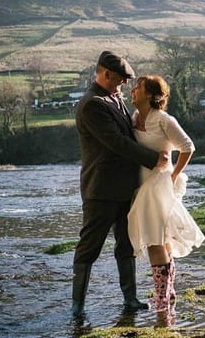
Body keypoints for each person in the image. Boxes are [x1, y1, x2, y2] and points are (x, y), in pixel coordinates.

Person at [72, 51, 168, 317]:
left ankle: (131, 300)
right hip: (100, 190)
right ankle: (77, 307)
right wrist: (154, 159)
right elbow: (117, 142)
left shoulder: (114, 99)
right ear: (105, 74)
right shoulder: (92, 104)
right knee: (88, 248)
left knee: (126, 246)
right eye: (121, 79)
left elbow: (130, 136)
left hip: (125, 189)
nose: (125, 85)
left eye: (127, 80)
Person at [127, 75, 205, 318]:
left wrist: (173, 176)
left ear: (150, 94)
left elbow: (188, 146)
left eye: (137, 87)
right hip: (142, 184)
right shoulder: (134, 118)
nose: (132, 90)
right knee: (161, 239)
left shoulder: (163, 119)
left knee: (154, 239)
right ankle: (168, 293)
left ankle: (161, 298)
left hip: (159, 185)